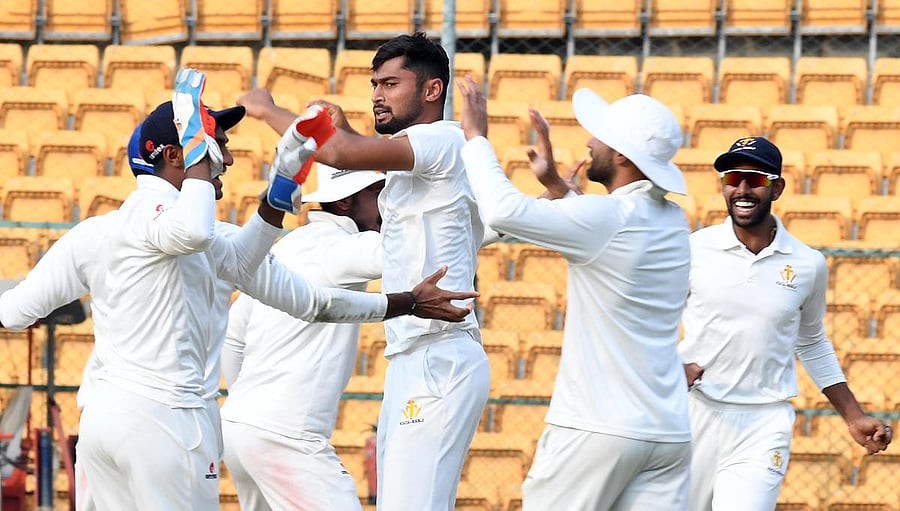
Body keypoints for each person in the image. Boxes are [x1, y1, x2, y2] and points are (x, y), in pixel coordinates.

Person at [0, 69, 476, 510]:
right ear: (177, 155)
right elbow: (191, 234)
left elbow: (14, 311)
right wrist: (198, 167)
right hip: (170, 424)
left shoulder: (95, 233)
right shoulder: (193, 230)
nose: (226, 159)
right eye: (214, 147)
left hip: (102, 424)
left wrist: (280, 191)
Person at [236, 32, 491, 511]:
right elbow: (356, 152)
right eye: (374, 84)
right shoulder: (419, 158)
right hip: (414, 354)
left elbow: (337, 155)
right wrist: (346, 125)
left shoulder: (439, 138)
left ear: (432, 90)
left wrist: (264, 107)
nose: (378, 94)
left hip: (438, 353)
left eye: (391, 84)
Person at [456, 76, 694, 510]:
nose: (589, 142)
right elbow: (604, 235)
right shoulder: (674, 220)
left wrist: (475, 139)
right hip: (668, 432)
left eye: (600, 138)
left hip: (597, 428)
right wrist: (559, 191)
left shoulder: (609, 216)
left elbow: (503, 210)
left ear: (622, 154)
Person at [677, 136, 893, 511]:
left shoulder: (808, 263)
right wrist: (664, 367)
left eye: (756, 180)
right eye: (734, 178)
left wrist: (854, 416)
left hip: (764, 423)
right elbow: (654, 318)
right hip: (694, 413)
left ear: (777, 188)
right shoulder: (694, 249)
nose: (742, 189)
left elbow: (811, 341)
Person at [220, 162, 386, 511]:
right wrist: (498, 222)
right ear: (343, 203)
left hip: (240, 426)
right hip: (287, 436)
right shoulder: (343, 248)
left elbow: (233, 337)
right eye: (377, 192)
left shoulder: (287, 245)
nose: (388, 203)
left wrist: (250, 408)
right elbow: (411, 250)